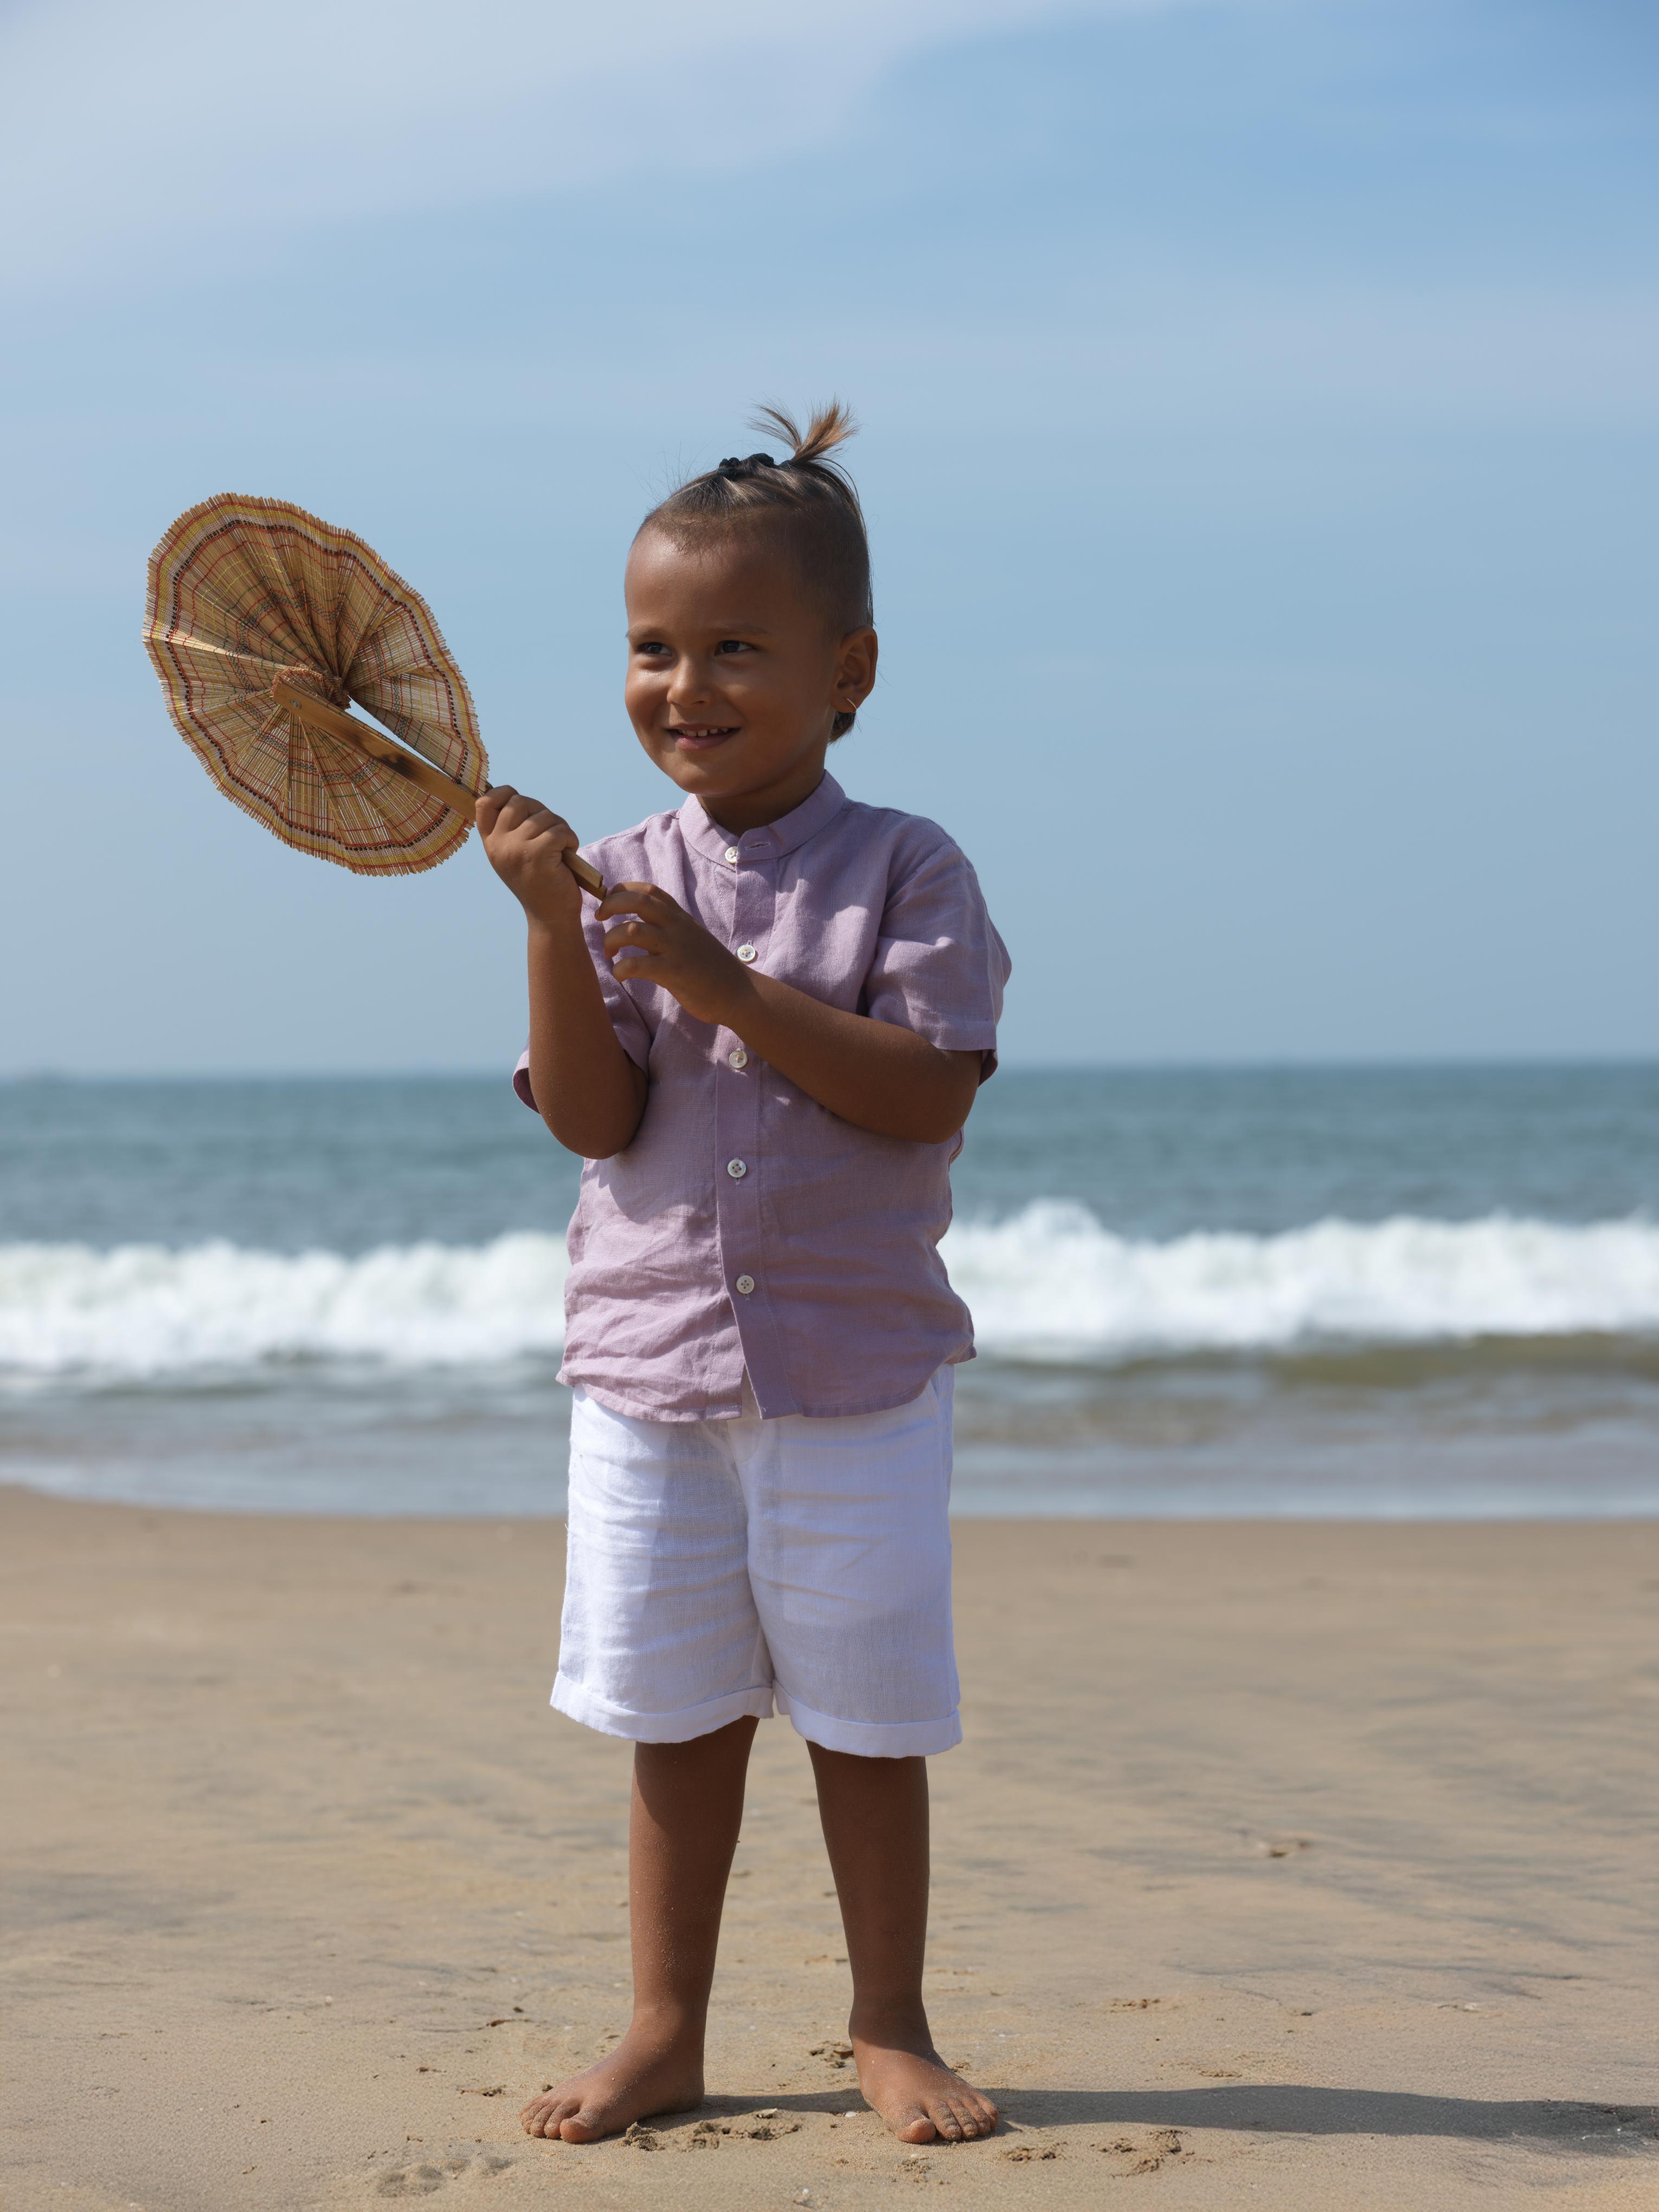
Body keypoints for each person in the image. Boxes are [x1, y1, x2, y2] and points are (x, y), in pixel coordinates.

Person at [478, 403, 1010, 2148]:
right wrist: (560, 932)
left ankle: (888, 2020)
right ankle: (664, 2026)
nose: (682, 685)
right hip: (649, 1368)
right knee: (674, 1709)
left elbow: (919, 1089)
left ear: (847, 668)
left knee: (863, 1713)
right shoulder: (619, 878)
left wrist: (716, 980)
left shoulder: (903, 867)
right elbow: (589, 1119)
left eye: (733, 649)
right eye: (650, 647)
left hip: (855, 1373)